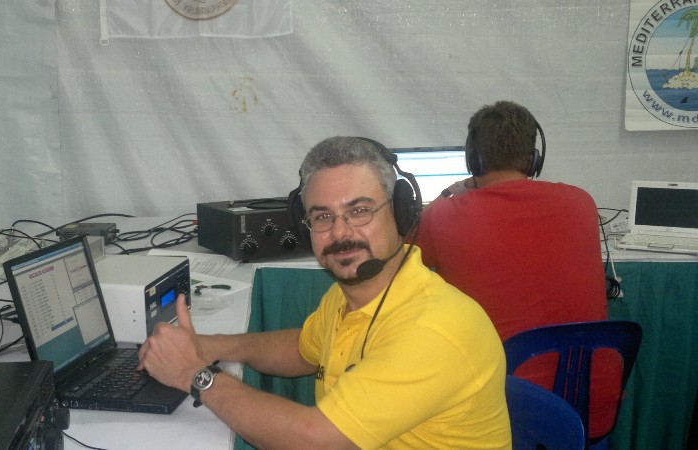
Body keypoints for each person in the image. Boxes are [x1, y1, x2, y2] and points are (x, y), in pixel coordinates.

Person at [137, 136, 511, 449]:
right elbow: (303, 348)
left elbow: (314, 441)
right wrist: (210, 346)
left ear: (400, 212)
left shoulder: (433, 329)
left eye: (360, 210)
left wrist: (194, 374)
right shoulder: (350, 296)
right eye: (322, 217)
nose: (340, 232)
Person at [414, 100, 618, 440]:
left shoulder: (444, 215)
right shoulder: (581, 201)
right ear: (533, 159)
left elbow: (399, 257)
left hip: (502, 411)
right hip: (591, 406)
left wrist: (450, 193)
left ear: (473, 160)